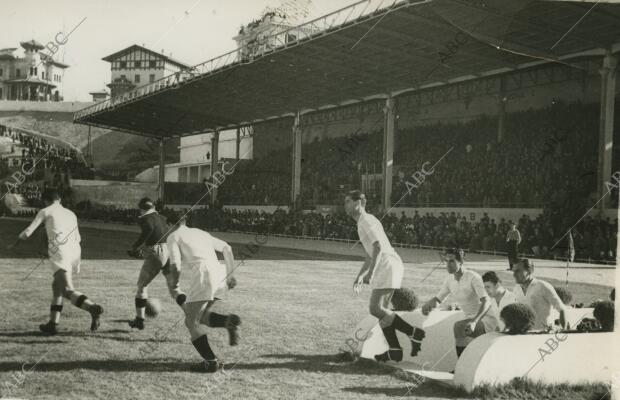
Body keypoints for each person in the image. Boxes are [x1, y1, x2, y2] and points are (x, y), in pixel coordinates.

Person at [8, 188, 103, 334]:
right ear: (59, 200)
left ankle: (92, 308)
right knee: (57, 288)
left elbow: (28, 232)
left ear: (45, 200)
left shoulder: (45, 211)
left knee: (67, 290)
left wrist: (14, 244)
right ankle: (53, 323)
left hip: (60, 252)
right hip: (75, 251)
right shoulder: (71, 213)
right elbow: (78, 237)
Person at [345, 190, 425, 363]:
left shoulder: (366, 220)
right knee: (383, 313)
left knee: (375, 309)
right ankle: (395, 350)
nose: (346, 205)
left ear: (360, 202)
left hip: (387, 264)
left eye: (349, 201)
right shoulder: (365, 221)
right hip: (389, 263)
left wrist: (371, 273)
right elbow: (369, 253)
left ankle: (414, 333)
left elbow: (378, 247)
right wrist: (360, 275)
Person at [166, 216, 240, 373]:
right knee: (202, 315)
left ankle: (210, 361)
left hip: (204, 274)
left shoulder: (173, 236)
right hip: (220, 273)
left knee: (191, 322)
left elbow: (176, 266)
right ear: (185, 222)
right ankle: (228, 322)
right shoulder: (201, 233)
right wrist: (231, 275)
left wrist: (175, 284)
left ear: (169, 224)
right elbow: (227, 248)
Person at [421, 249, 499, 358]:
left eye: (452, 261)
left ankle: (460, 367)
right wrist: (428, 305)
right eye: (446, 261)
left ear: (461, 262)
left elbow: (487, 301)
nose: (448, 264)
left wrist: (474, 321)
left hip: (486, 320)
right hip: (469, 321)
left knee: (458, 327)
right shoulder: (449, 280)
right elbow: (438, 299)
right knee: (460, 329)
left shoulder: (473, 277)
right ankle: (461, 366)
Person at [128, 198, 186, 330]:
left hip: (157, 251)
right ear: (153, 207)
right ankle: (192, 312)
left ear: (142, 209)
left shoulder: (144, 218)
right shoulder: (162, 217)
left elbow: (149, 228)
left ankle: (139, 319)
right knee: (175, 289)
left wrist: (136, 247)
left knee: (142, 286)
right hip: (170, 250)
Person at [512, 258, 567, 330]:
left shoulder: (543, 286)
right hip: (523, 335)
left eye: (518, 271)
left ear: (529, 271)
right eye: (513, 271)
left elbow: (562, 309)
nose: (514, 275)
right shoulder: (516, 289)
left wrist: (564, 331)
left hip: (543, 335)